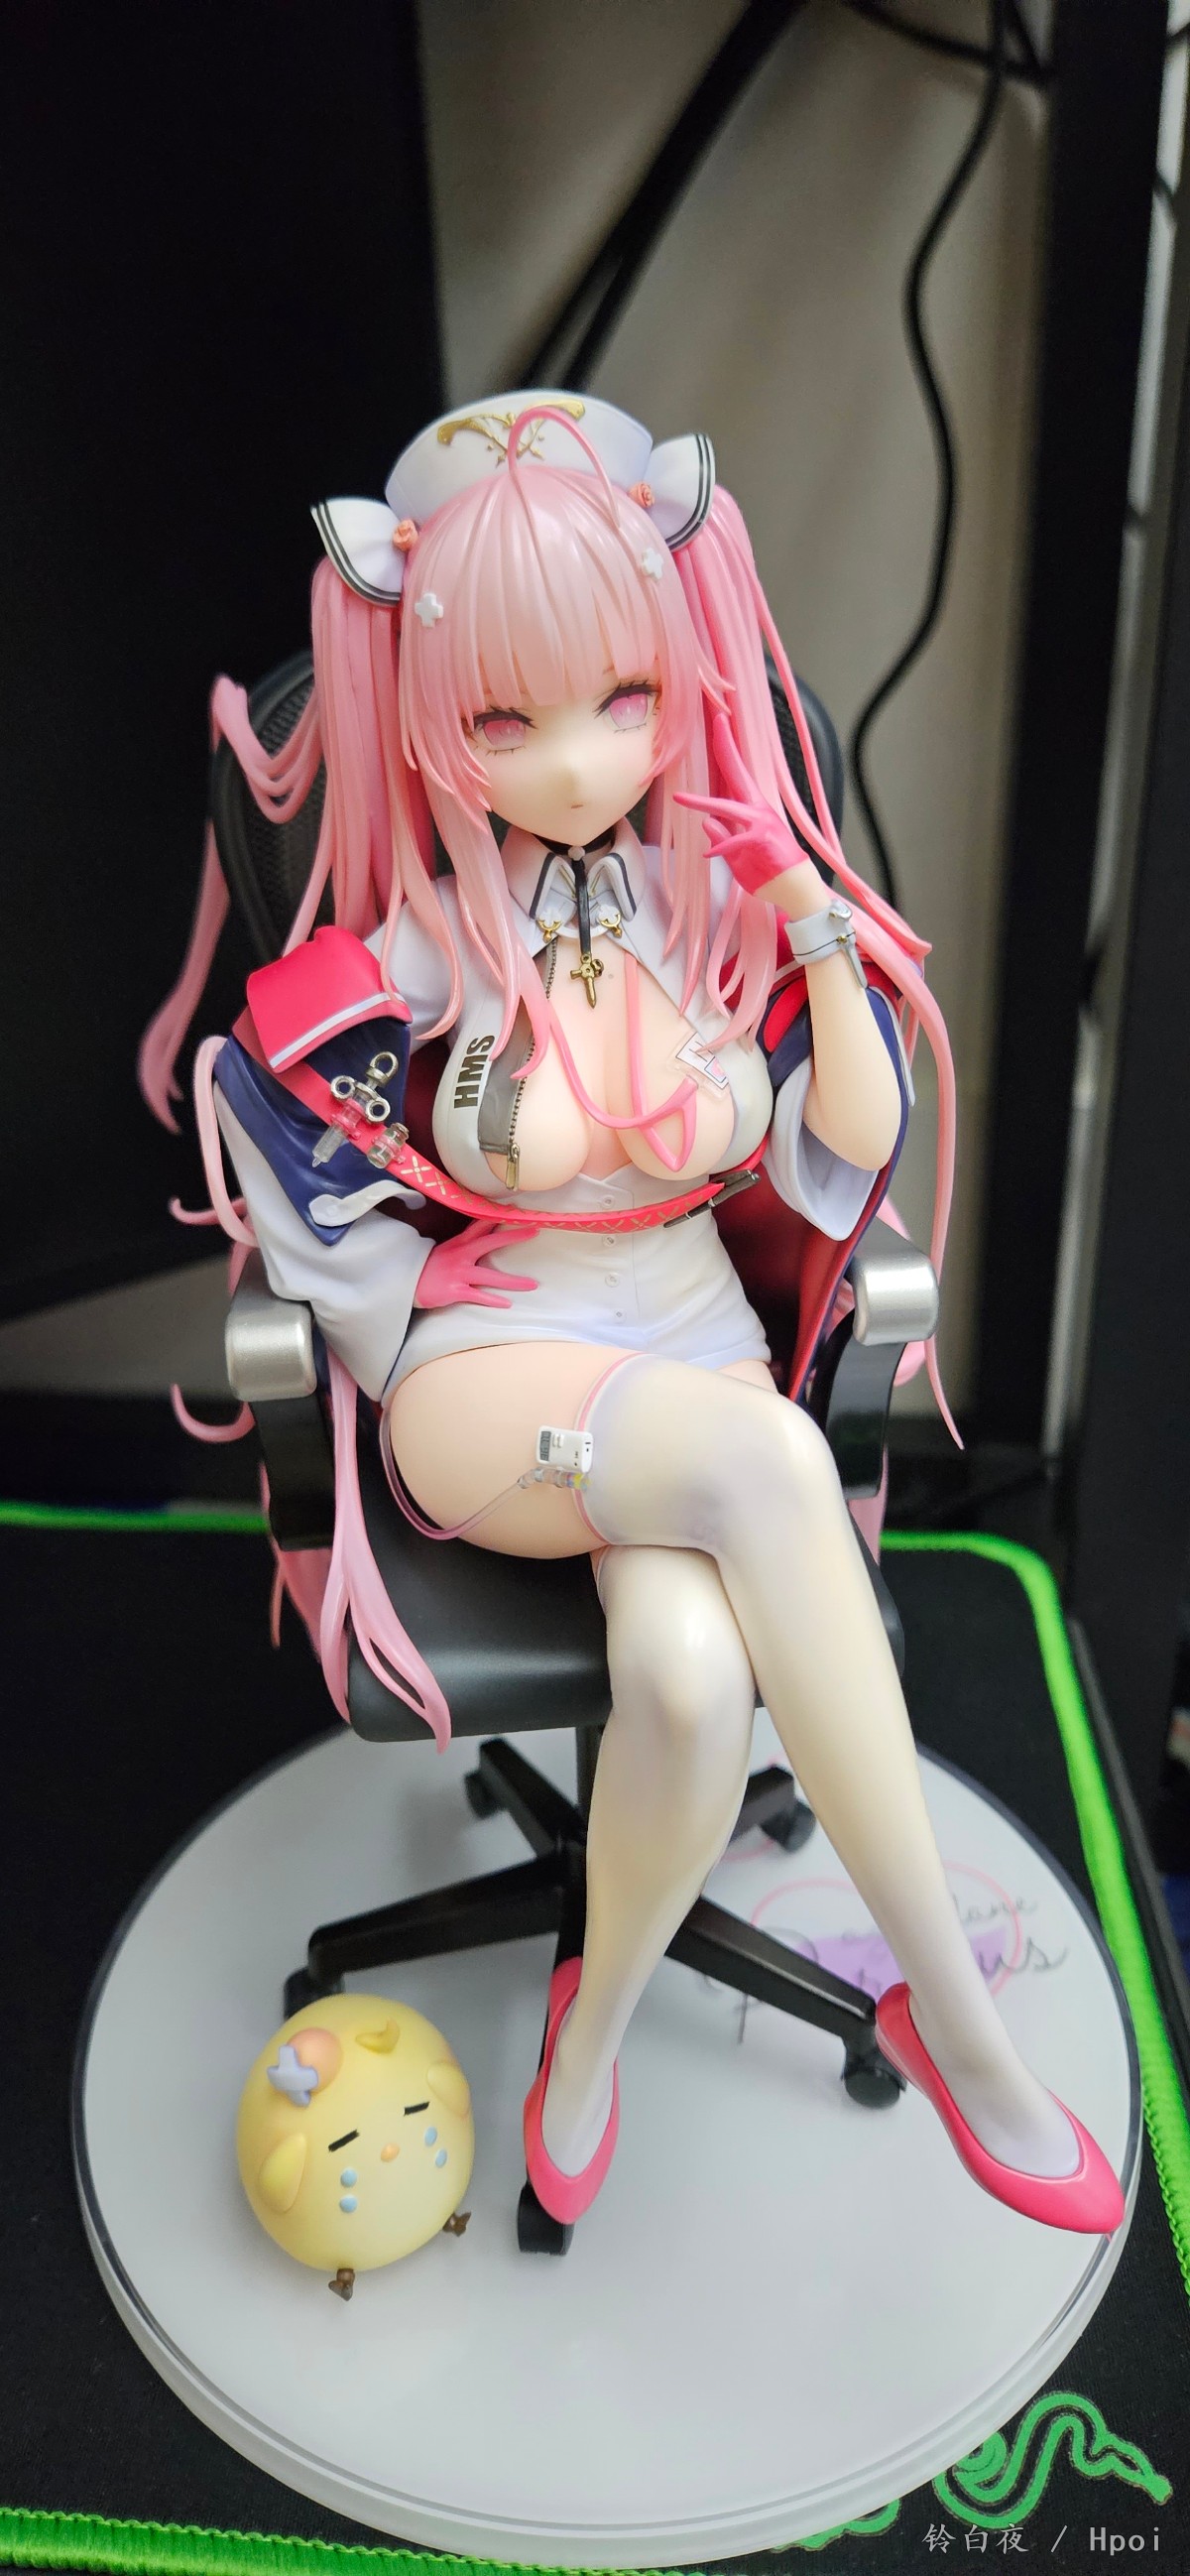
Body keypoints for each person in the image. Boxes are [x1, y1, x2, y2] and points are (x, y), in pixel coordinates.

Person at [142, 392, 1123, 2238]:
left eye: (624, 698)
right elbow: (280, 1139)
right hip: (490, 1371)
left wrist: (809, 919)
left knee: (682, 1673)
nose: (580, 763)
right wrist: (401, 1284)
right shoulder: (421, 942)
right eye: (504, 720)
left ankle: (583, 2040)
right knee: (768, 1464)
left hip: (692, 1338)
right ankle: (959, 2023)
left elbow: (852, 1145)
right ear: (426, 713)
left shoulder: (714, 912)